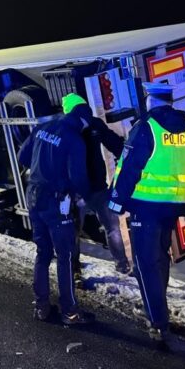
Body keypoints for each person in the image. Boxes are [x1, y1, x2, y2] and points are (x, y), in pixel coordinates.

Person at [108, 82, 185, 345]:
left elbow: (129, 168)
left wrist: (116, 200)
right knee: (160, 259)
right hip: (172, 207)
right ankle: (158, 308)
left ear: (150, 100)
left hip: (146, 207)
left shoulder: (146, 127)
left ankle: (157, 322)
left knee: (145, 263)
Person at [17, 102, 95, 326]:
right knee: (65, 256)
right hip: (56, 201)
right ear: (83, 122)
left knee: (42, 252)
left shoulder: (43, 127)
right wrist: (84, 196)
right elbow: (78, 177)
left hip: (33, 196)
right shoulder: (75, 139)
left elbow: (23, 157)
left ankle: (41, 306)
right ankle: (69, 311)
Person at [61, 94, 131, 276]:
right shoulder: (94, 124)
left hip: (78, 191)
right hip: (98, 187)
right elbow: (117, 145)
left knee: (73, 231)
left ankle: (74, 270)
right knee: (112, 229)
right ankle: (122, 266)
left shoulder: (66, 128)